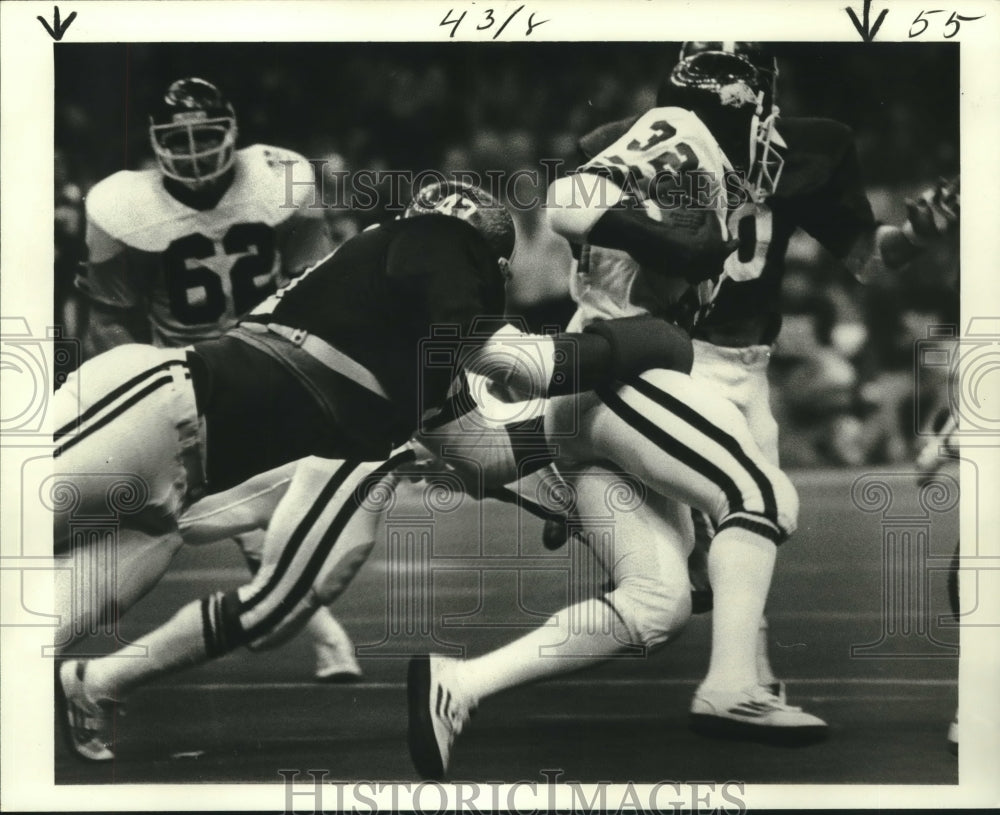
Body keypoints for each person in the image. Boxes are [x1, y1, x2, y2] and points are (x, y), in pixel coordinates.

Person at [406, 42, 959, 779]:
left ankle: (460, 683)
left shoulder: (758, 149)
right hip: (633, 365)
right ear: (743, 102)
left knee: (658, 603)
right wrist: (677, 238)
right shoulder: (683, 134)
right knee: (760, 496)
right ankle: (732, 686)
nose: (768, 125)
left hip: (634, 373)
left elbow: (863, 252)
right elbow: (572, 201)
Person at [54, 180, 696, 761]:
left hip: (197, 459)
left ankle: (92, 682)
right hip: (160, 410)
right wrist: (635, 346)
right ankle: (96, 679)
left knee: (73, 613)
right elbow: (518, 368)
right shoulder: (437, 245)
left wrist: (565, 486)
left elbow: (476, 451)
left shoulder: (406, 330)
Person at [71, 76, 360, 681]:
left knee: (268, 504)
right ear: (153, 144)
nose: (195, 150)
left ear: (233, 132)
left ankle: (323, 637)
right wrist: (141, 380)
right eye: (179, 138)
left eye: (206, 133)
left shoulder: (281, 178)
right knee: (204, 514)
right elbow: (111, 315)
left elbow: (319, 278)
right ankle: (325, 638)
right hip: (191, 373)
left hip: (273, 357)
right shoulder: (120, 205)